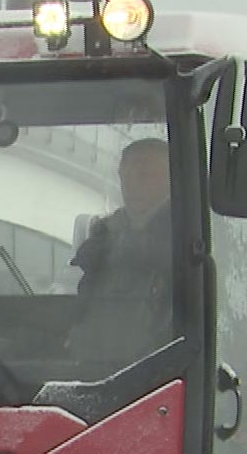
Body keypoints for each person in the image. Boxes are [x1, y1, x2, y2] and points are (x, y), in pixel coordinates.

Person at [65, 137, 175, 361]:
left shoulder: (184, 237)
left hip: (151, 374)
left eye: (144, 175)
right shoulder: (104, 236)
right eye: (125, 177)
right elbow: (84, 307)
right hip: (96, 366)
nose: (131, 185)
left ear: (173, 178)